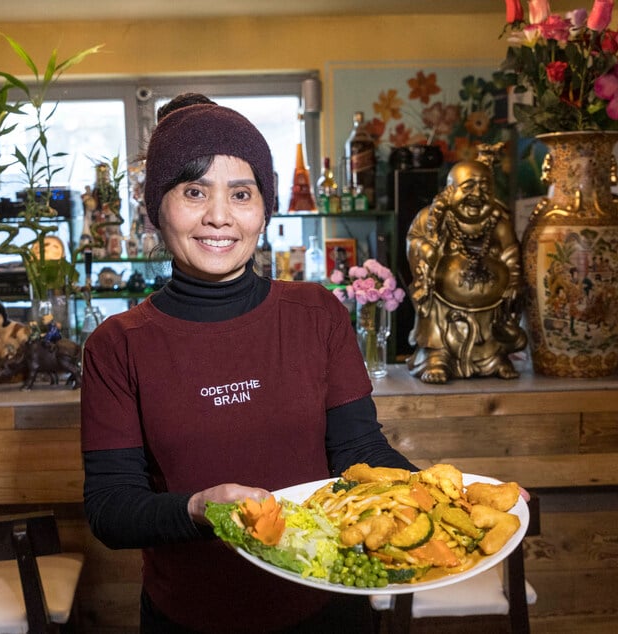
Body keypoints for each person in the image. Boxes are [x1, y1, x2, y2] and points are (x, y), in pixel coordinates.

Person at [81, 95, 416, 634]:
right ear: (156, 208)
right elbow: (112, 509)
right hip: (187, 618)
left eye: (241, 193)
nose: (219, 216)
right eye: (194, 192)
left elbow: (360, 451)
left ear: (264, 208)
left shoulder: (316, 314)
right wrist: (198, 508)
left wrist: (454, 502)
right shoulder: (117, 345)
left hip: (327, 606)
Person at [405, 151, 527, 384]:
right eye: (469, 187)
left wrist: (512, 281)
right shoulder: (430, 217)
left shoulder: (497, 222)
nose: (477, 195)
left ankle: (491, 360)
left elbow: (511, 253)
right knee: (435, 319)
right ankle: (437, 358)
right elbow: (413, 240)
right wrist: (426, 249)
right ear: (450, 191)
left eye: (485, 188)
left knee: (493, 330)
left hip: (488, 300)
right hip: (442, 299)